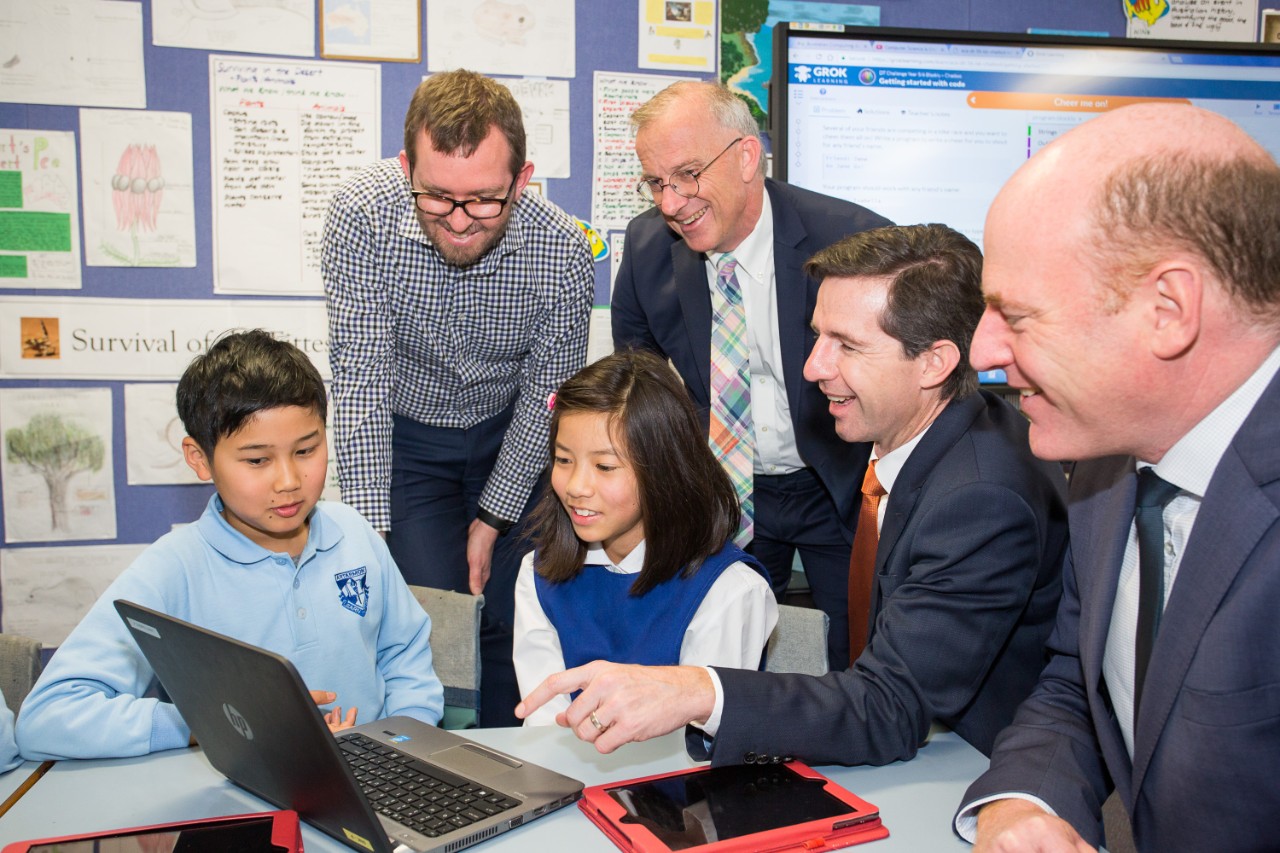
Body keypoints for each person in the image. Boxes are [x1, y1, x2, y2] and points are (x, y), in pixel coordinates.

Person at [518, 224, 1068, 768]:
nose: (812, 367)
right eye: (817, 337)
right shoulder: (926, 443)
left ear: (934, 362)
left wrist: (697, 691)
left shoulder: (979, 500)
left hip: (972, 768)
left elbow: (888, 707)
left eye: (847, 346)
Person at [955, 103, 1280, 853]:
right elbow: (1081, 680)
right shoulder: (1104, 459)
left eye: (1017, 316)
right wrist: (1018, 805)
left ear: (1169, 309)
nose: (981, 351)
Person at [16, 331, 443, 759]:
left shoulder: (355, 533)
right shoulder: (174, 568)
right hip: (240, 787)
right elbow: (46, 718)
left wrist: (401, 746)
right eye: (257, 460)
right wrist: (216, 722)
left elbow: (405, 658)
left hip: (377, 776)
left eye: (306, 450)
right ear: (199, 458)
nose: (289, 481)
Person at [322, 69, 593, 725]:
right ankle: (428, 763)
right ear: (405, 167)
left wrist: (493, 517)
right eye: (438, 197)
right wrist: (368, 533)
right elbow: (360, 377)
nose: (461, 220)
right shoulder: (361, 217)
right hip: (409, 439)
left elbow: (546, 397)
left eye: (484, 199)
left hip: (515, 435)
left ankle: (511, 756)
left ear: (521, 180)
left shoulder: (564, 251)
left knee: (517, 607)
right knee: (428, 613)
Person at [611, 81, 892, 670]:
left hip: (835, 482)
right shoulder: (645, 247)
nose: (671, 203)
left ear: (745, 157)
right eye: (656, 183)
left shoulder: (851, 241)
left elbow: (903, 378)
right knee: (724, 658)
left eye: (687, 175)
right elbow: (637, 384)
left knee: (856, 653)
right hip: (723, 489)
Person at [514, 350, 777, 726]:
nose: (576, 486)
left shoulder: (729, 589)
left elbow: (700, 741)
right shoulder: (539, 573)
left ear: (664, 470)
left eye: (605, 466)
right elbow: (546, 725)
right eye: (563, 460)